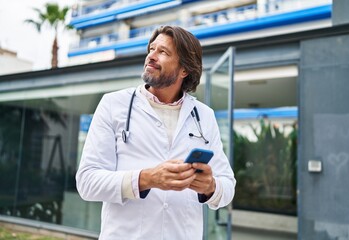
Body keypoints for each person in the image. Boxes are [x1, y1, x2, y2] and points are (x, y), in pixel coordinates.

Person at [76, 25, 236, 240]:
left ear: (184, 70)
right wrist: (146, 179)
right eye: (151, 49)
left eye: (163, 52)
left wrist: (210, 186)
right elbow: (87, 182)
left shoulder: (204, 116)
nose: (151, 56)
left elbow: (228, 186)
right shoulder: (113, 104)